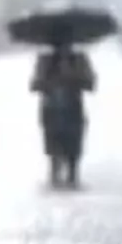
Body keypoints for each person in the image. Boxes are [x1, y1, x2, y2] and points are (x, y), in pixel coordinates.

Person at [29, 41, 95, 188]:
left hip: (73, 108)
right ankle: (54, 175)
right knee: (53, 144)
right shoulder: (45, 60)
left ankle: (72, 176)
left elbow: (90, 84)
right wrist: (49, 79)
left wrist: (73, 75)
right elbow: (34, 85)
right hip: (51, 108)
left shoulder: (79, 59)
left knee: (74, 144)